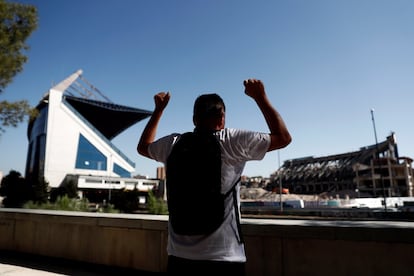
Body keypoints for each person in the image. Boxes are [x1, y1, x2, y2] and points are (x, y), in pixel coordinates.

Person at [137, 78, 292, 275]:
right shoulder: (231, 142)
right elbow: (283, 137)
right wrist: (260, 97)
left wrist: (158, 110)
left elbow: (143, 147)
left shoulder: (172, 144)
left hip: (179, 257)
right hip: (224, 258)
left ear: (194, 120)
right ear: (222, 119)